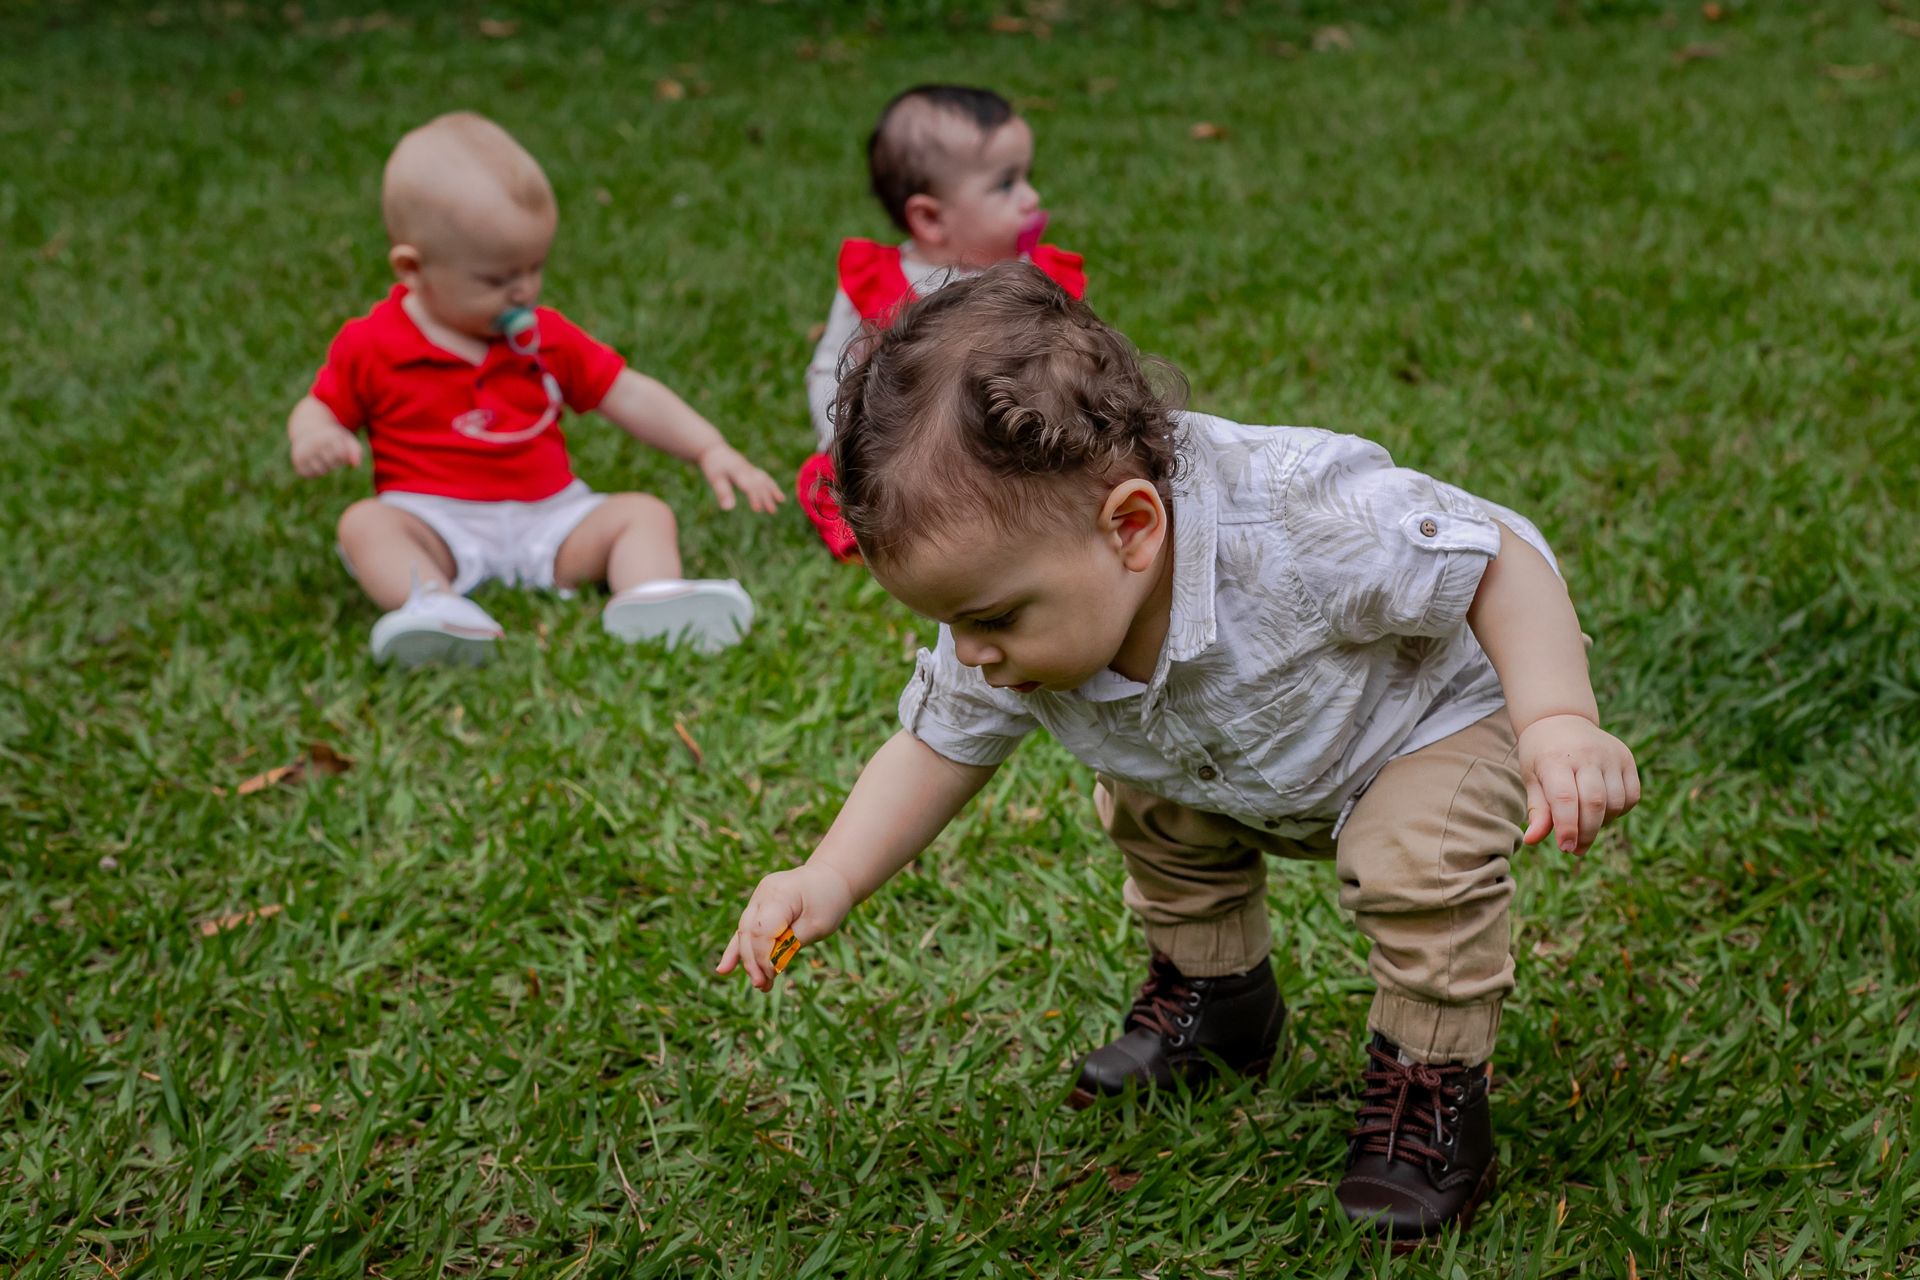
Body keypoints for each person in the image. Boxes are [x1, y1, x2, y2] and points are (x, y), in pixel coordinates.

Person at [720, 264, 1641, 1247]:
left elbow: (1495, 559)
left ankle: (1430, 1089)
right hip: (1244, 756)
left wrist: (1556, 722)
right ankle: (1219, 1001)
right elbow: (933, 745)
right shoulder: (1025, 602)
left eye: (990, 617)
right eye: (949, 621)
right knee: (1153, 806)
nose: (974, 652)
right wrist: (827, 874)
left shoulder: (1297, 517)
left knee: (1415, 858)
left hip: (1434, 711)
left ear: (1130, 526)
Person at [287, 111, 782, 666]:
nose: (522, 289)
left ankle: (648, 598)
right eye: (496, 279)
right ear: (412, 268)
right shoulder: (373, 344)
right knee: (365, 524)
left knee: (644, 513)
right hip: (435, 521)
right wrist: (314, 435)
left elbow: (628, 393)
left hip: (551, 516)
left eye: (534, 267)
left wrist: (707, 446)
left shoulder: (544, 335)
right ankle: (435, 607)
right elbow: (320, 407)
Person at [796, 84, 1085, 561]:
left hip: (1010, 445)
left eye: (1027, 177)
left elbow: (1068, 359)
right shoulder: (879, 286)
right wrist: (841, 441)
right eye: (1006, 184)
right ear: (929, 218)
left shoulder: (1033, 278)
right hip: (913, 452)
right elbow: (832, 369)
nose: (1032, 198)